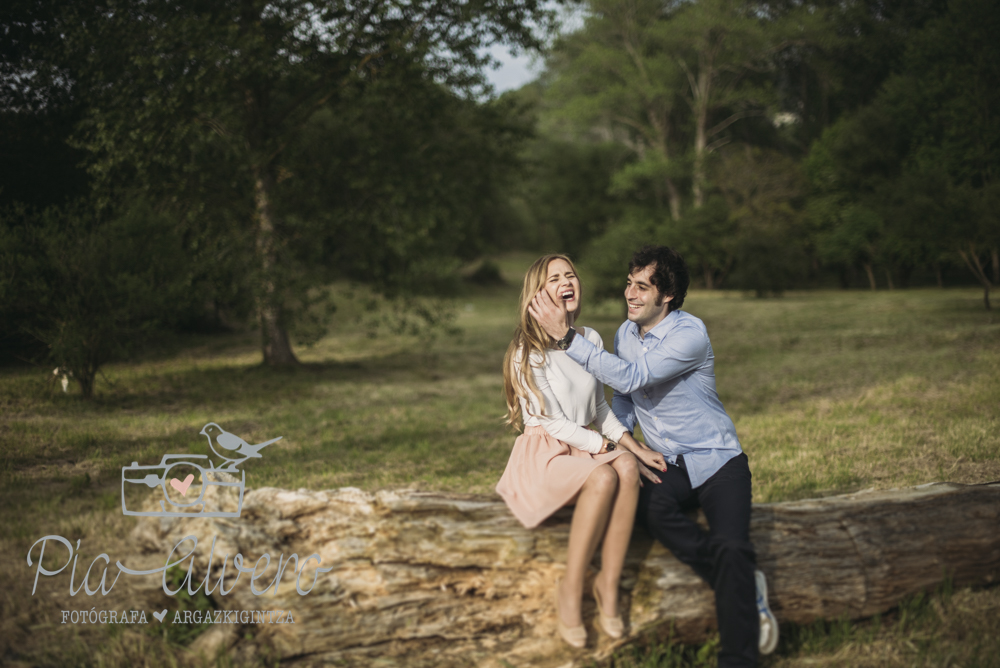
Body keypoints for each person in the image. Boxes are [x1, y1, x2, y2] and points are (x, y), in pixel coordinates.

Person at [528, 245, 779, 667]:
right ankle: (739, 581)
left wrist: (566, 337)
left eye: (642, 287)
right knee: (648, 508)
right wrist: (629, 444)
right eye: (629, 283)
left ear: (667, 296)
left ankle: (739, 656)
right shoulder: (626, 334)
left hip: (718, 460)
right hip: (667, 462)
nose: (631, 293)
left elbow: (635, 375)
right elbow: (624, 398)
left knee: (732, 546)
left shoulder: (690, 334)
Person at [496, 254, 667, 649]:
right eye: (554, 278)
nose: (566, 281)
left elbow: (600, 410)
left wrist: (633, 446)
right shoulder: (527, 351)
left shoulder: (589, 339)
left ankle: (608, 584)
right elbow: (552, 423)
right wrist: (603, 446)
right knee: (606, 473)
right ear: (537, 296)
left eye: (570, 274)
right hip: (546, 452)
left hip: (584, 442)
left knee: (626, 466)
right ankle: (570, 589)